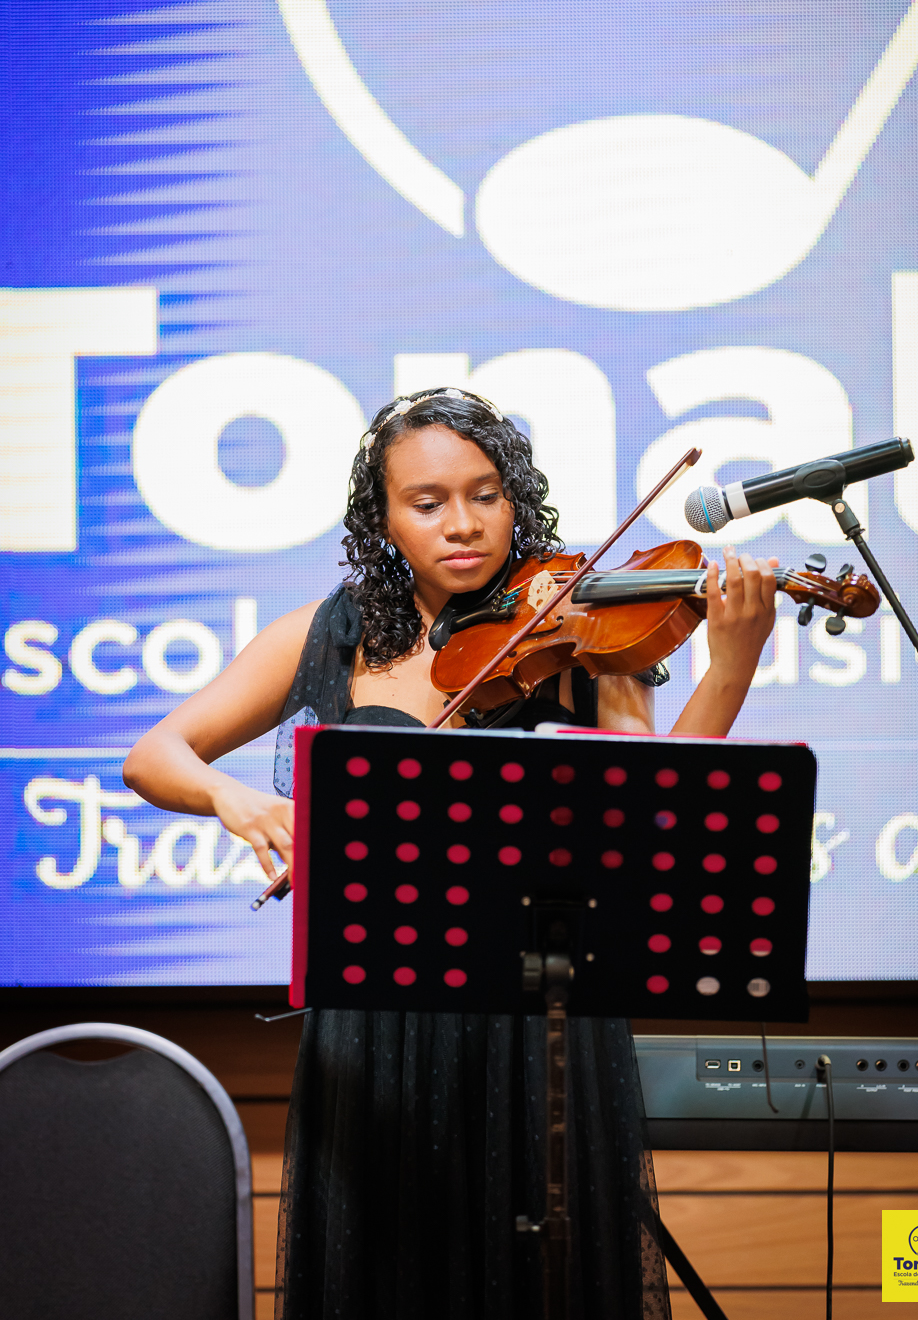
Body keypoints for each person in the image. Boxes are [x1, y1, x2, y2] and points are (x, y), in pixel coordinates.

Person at [123, 388, 779, 1320]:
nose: (463, 524)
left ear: (516, 501)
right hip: (379, 1021)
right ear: (383, 519)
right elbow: (155, 756)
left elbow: (652, 807)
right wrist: (238, 798)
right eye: (427, 502)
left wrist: (734, 662)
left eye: (485, 495)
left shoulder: (582, 630)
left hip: (544, 1020)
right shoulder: (331, 636)